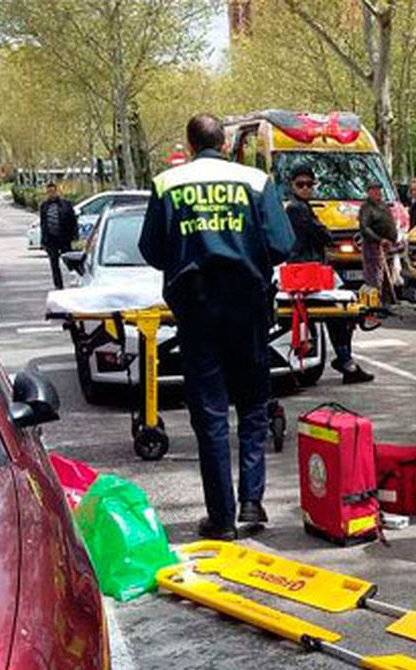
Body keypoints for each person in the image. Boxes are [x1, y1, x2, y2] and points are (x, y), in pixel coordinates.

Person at [137, 113, 294, 540]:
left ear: (189, 145)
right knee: (253, 407)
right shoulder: (255, 182)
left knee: (209, 416)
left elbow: (150, 248)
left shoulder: (168, 185)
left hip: (197, 310)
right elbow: (282, 244)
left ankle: (221, 518)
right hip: (247, 307)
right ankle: (252, 503)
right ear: (224, 143)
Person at [284, 164, 373, 384]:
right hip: (306, 269)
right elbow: (320, 234)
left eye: (308, 184)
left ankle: (346, 359)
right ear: (292, 185)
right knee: (341, 310)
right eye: (300, 184)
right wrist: (324, 232)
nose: (305, 188)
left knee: (340, 311)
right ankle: (345, 360)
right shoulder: (297, 209)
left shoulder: (302, 206)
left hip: (310, 268)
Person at [359, 181, 399, 304]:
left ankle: (386, 301)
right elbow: (365, 227)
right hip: (373, 245)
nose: (378, 192)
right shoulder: (366, 208)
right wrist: (379, 239)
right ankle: (375, 303)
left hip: (388, 246)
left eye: (379, 189)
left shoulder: (383, 205)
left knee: (386, 275)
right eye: (374, 190)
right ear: (368, 192)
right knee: (374, 275)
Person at [39, 182, 78, 290]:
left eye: (53, 191)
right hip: (51, 240)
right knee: (54, 264)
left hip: (64, 238)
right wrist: (43, 241)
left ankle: (76, 277)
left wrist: (74, 237)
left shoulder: (66, 205)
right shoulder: (44, 206)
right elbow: (43, 224)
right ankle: (58, 285)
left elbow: (73, 221)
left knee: (69, 260)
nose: (51, 194)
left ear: (57, 191)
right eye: (49, 192)